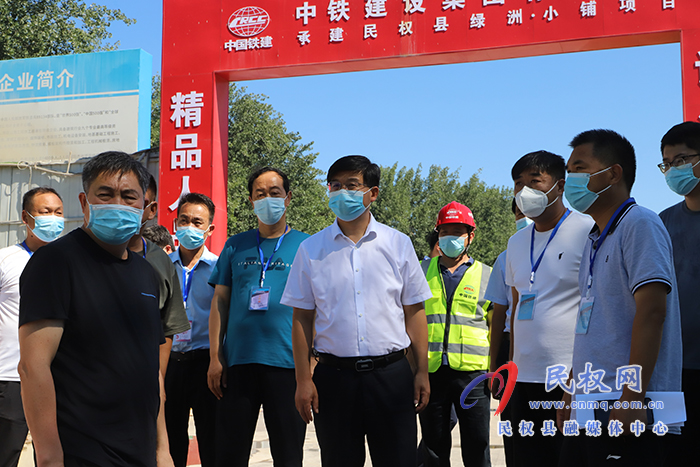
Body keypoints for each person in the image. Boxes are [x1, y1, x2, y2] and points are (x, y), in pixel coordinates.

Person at [18, 151, 169, 466]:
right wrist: (49, 455)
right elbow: (33, 367)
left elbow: (151, 371)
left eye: (129, 196)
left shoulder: (146, 273)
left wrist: (162, 450)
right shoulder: (56, 262)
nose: (117, 204)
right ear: (85, 203)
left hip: (140, 451)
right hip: (82, 452)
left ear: (144, 207)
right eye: (106, 195)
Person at [281, 155, 433, 467]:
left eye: (352, 185)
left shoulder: (398, 244)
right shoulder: (311, 250)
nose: (342, 193)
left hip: (391, 376)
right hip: (334, 380)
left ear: (373, 193)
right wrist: (302, 380)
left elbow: (414, 312)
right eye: (335, 186)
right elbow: (302, 318)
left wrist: (421, 371)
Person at [557, 129, 682, 466]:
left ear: (612, 173)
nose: (570, 179)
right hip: (592, 402)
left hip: (629, 405)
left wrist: (631, 397)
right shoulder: (595, 238)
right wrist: (572, 390)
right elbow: (590, 323)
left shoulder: (640, 224)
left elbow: (653, 313)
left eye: (579, 168)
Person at [208, 167, 308, 467]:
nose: (267, 199)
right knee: (229, 453)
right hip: (238, 365)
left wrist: (311, 365)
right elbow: (220, 301)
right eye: (260, 194)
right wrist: (215, 357)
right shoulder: (235, 245)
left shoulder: (308, 246)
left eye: (274, 193)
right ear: (251, 200)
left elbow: (319, 308)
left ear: (288, 198)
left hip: (287, 365)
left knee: (288, 455)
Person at [505, 150, 594, 467]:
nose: (524, 191)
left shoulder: (587, 231)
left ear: (559, 186)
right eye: (518, 183)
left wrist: (576, 381)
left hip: (568, 380)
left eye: (534, 181)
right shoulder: (516, 242)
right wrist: (511, 370)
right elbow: (517, 307)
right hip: (522, 380)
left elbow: (593, 309)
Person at [419, 201, 493, 467]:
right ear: (437, 235)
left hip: (474, 376)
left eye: (458, 232)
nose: (451, 238)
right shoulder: (419, 272)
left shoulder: (488, 276)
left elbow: (497, 328)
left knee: (477, 446)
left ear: (470, 236)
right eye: (445, 231)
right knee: (434, 447)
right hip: (431, 373)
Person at [0, 186, 64, 467]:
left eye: (58, 212)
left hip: (60, 379)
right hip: (11, 378)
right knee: (7, 453)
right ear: (26, 218)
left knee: (54, 457)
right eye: (45, 212)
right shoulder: (6, 261)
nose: (53, 218)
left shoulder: (71, 263)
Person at [658, 121, 700, 465]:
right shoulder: (663, 222)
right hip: (672, 371)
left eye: (681, 160)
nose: (673, 170)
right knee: (672, 454)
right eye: (667, 164)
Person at [166, 193, 218, 467]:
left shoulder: (219, 268)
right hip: (171, 362)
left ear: (209, 229)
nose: (190, 227)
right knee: (171, 439)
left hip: (205, 363)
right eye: (184, 220)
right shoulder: (163, 266)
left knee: (211, 437)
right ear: (175, 224)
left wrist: (217, 362)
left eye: (197, 222)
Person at [127, 174, 190, 376]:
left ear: (151, 209)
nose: (121, 206)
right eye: (107, 195)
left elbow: (166, 329)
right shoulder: (67, 258)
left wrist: (158, 382)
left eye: (130, 198)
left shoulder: (161, 262)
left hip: (143, 380)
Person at [484, 199, 529, 467]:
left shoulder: (574, 246)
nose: (524, 217)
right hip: (512, 346)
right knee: (513, 428)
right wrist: (494, 369)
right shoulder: (507, 256)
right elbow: (498, 315)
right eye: (519, 213)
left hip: (554, 352)